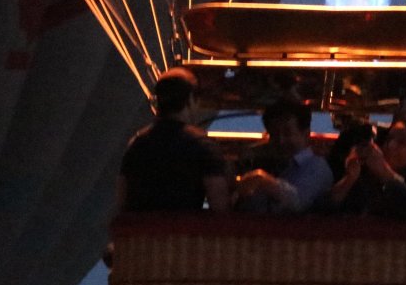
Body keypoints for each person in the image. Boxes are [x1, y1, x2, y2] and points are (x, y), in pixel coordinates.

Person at [117, 67, 229, 213]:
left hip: (144, 233)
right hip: (184, 232)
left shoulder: (136, 145)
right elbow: (220, 207)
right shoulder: (203, 146)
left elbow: (121, 203)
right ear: (190, 99)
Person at [235, 98, 333, 213]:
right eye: (274, 134)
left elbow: (297, 201)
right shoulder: (268, 163)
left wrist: (263, 180)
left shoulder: (317, 167)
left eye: (288, 133)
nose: (281, 140)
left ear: (306, 134)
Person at [326, 118, 406, 219]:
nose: (390, 145)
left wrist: (385, 173)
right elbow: (325, 209)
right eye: (388, 139)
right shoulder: (368, 182)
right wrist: (349, 178)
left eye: (401, 142)